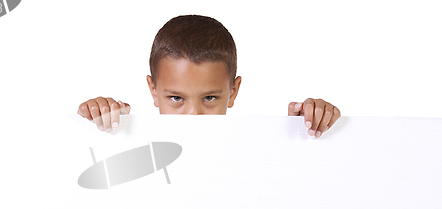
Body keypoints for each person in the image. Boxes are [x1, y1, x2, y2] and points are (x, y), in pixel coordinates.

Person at [77, 15, 341, 138]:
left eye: (210, 97)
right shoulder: (132, 143)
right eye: (177, 98)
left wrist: (307, 124)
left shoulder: (252, 152)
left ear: (233, 91)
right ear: (153, 91)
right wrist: (100, 119)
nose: (194, 115)